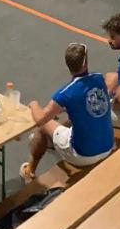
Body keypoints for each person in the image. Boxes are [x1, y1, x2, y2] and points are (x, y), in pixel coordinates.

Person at [20, 42, 114, 180]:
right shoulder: (99, 78)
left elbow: (41, 119)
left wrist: (34, 104)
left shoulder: (66, 93)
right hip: (107, 145)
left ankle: (30, 170)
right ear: (86, 63)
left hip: (83, 155)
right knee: (77, 117)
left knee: (43, 128)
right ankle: (54, 141)